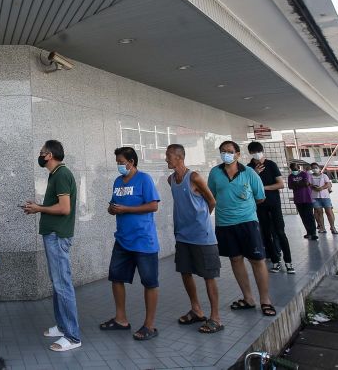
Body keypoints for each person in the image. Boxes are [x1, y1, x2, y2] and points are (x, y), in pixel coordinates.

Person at [23, 139, 81, 352]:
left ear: (49, 155)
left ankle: (73, 336)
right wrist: (37, 207)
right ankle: (62, 325)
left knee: (62, 284)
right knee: (57, 284)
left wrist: (39, 209)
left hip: (58, 236)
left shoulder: (62, 174)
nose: (40, 155)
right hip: (53, 235)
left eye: (42, 152)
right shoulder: (55, 174)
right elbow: (56, 205)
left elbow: (64, 208)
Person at [207, 140, 276, 317]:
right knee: (235, 259)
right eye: (223, 151)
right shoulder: (215, 173)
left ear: (238, 154)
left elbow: (260, 198)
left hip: (248, 222)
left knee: (257, 260)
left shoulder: (250, 173)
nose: (226, 154)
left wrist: (243, 206)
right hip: (224, 224)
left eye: (229, 151)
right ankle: (248, 298)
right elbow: (211, 196)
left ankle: (265, 300)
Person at [99, 146, 161, 341]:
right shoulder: (118, 181)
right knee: (116, 278)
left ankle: (149, 325)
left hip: (144, 240)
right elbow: (113, 205)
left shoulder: (145, 179)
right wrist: (112, 209)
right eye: (117, 162)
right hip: (122, 240)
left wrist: (125, 208)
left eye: (121, 162)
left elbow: (153, 205)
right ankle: (121, 319)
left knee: (150, 282)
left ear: (131, 162)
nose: (119, 166)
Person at [165, 143, 223, 334]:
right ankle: (197, 310)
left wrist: (202, 220)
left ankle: (215, 318)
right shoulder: (170, 179)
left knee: (208, 276)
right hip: (182, 236)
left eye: (169, 156)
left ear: (179, 158)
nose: (166, 159)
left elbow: (211, 200)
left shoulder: (195, 177)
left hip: (202, 236)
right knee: (185, 272)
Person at [247, 142, 294, 274]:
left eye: (258, 151)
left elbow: (280, 184)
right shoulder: (248, 168)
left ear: (262, 151)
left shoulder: (271, 164)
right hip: (259, 205)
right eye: (254, 152)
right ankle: (275, 261)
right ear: (250, 153)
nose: (257, 154)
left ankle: (289, 262)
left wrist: (263, 188)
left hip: (274, 204)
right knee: (265, 234)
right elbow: (246, 186)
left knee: (280, 232)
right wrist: (254, 174)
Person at [288, 162, 318, 240]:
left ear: (298, 167)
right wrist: (301, 184)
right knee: (303, 216)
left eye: (295, 169)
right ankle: (308, 232)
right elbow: (290, 186)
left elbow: (306, 183)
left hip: (307, 198)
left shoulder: (304, 174)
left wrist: (296, 185)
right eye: (292, 169)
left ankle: (313, 233)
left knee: (310, 216)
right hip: (298, 199)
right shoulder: (290, 176)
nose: (293, 170)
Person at [309, 163, 338, 235]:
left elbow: (328, 184)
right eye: (312, 168)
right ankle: (322, 227)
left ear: (319, 168)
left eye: (315, 167)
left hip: (325, 196)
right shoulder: (310, 176)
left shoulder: (324, 176)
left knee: (329, 212)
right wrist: (313, 187)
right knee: (319, 212)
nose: (314, 169)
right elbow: (308, 185)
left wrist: (321, 188)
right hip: (315, 197)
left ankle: (332, 227)